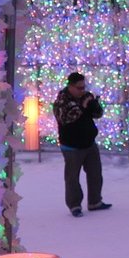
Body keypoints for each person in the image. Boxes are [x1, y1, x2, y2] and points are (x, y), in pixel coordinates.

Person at [51, 71, 111, 217]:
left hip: (89, 142)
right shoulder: (62, 101)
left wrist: (94, 106)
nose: (82, 91)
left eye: (83, 87)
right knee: (72, 177)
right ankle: (74, 205)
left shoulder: (85, 97)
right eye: (79, 88)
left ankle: (95, 201)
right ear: (70, 87)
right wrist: (83, 107)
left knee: (95, 173)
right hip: (71, 145)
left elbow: (97, 114)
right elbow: (66, 118)